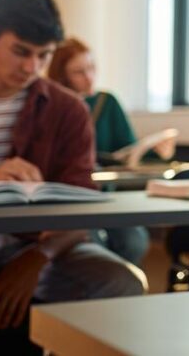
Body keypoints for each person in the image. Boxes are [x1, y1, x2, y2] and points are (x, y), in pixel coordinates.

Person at [0, 0, 145, 346]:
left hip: (37, 246)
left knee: (120, 281)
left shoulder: (68, 109)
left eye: (44, 55)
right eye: (21, 51)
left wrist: (37, 258)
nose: (31, 68)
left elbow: (81, 206)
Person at [46, 38, 150, 267]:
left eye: (91, 68)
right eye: (79, 72)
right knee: (90, 245)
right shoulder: (53, 106)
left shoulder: (106, 102)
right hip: (70, 194)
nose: (89, 77)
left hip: (104, 190)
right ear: (62, 75)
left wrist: (151, 149)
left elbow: (128, 147)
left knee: (135, 241)